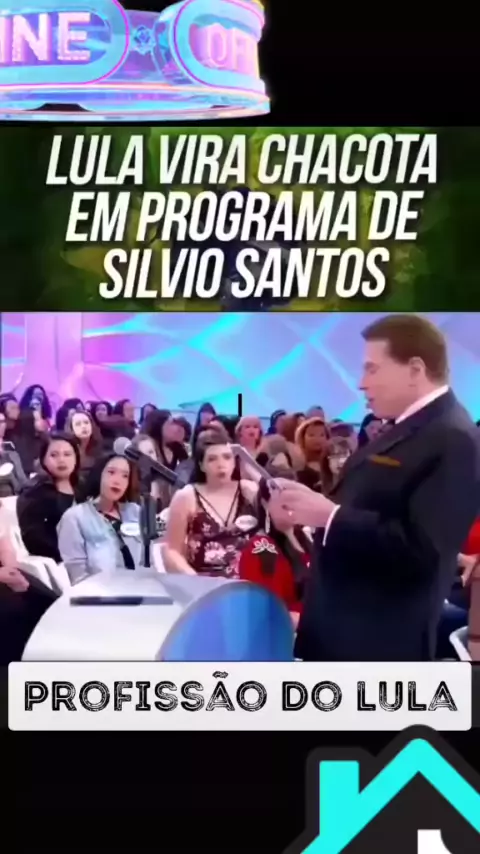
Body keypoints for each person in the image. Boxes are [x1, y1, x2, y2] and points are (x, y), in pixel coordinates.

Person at [270, 314, 480, 661]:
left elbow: (423, 549)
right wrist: (309, 510)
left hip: (377, 644)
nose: (361, 383)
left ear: (414, 370)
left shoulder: (453, 438)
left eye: (372, 369)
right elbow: (369, 507)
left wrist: (331, 516)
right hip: (343, 633)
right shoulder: (410, 428)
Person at [57, 453, 141, 585]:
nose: (117, 481)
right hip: (98, 593)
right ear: (99, 475)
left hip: (141, 589)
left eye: (125, 476)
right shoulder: (75, 517)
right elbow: (77, 575)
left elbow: (150, 562)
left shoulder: (135, 512)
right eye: (111, 472)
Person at [0, 502, 58, 664]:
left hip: (4, 571)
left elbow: (5, 547)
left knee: (47, 601)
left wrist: (11, 569)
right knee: (14, 612)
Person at [17, 433, 80, 562]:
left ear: (76, 458)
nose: (61, 460)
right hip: (60, 562)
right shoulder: (33, 493)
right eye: (54, 455)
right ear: (43, 459)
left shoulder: (84, 487)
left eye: (67, 454)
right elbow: (35, 539)